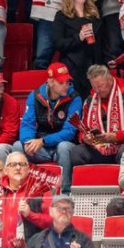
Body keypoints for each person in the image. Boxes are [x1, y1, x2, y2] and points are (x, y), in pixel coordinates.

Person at [14, 62, 82, 193]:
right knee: (18, 146)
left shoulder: (75, 98)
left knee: (64, 147)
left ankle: (64, 193)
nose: (66, 86)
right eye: (61, 83)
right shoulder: (35, 96)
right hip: (41, 148)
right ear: (50, 82)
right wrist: (28, 141)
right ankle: (18, 191)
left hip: (61, 148)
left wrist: (43, 141)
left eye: (67, 82)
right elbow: (27, 124)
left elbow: (70, 131)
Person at [0, 152, 54, 248]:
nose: (17, 167)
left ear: (28, 169)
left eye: (22, 164)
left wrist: (30, 214)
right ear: (6, 170)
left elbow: (52, 222)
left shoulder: (42, 190)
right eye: (13, 164)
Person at [71, 64, 124, 168]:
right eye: (94, 87)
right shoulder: (90, 101)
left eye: (100, 86)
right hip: (98, 148)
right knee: (76, 152)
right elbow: (83, 130)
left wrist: (117, 136)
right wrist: (85, 138)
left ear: (110, 80)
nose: (97, 91)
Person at [51, 0, 103, 99]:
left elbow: (100, 44)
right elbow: (57, 43)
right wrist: (78, 37)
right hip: (72, 68)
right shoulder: (62, 16)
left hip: (93, 68)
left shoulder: (94, 16)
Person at [22, 195, 99, 248]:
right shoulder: (37, 240)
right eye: (59, 208)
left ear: (72, 213)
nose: (64, 211)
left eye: (68, 208)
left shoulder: (83, 240)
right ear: (50, 211)